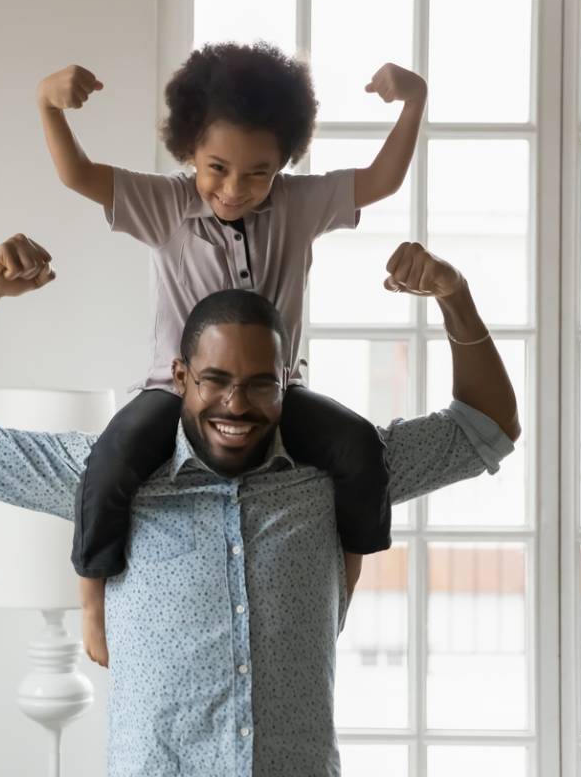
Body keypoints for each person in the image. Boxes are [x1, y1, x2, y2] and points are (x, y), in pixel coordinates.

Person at [0, 232, 520, 776]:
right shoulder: (106, 476)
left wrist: (454, 294)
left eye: (259, 384)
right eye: (215, 380)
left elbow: (486, 428)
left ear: (287, 383)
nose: (236, 405)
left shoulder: (335, 475)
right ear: (179, 376)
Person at [37, 41, 430, 666]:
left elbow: (381, 180)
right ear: (190, 148)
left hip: (279, 393)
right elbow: (78, 175)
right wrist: (49, 107)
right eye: (217, 167)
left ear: (283, 163)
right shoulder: (165, 205)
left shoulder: (300, 206)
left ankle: (345, 583)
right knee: (110, 462)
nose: (235, 188)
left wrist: (414, 103)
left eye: (258, 172)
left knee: (358, 448)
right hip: (177, 394)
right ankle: (90, 600)